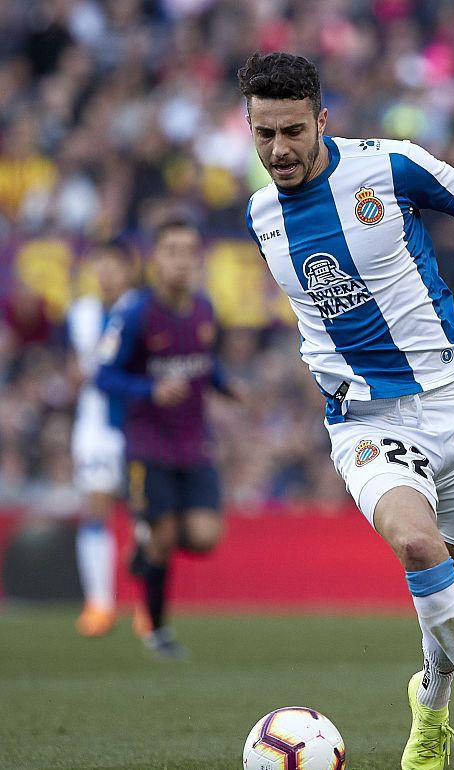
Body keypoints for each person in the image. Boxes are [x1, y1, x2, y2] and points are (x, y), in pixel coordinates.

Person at [239, 51, 454, 768]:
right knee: (419, 546)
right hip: (365, 420)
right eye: (264, 134)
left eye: (292, 131)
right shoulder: (261, 215)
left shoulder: (391, 166)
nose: (279, 149)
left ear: (322, 120)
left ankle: (431, 706)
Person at [96, 219, 239, 659]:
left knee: (204, 535)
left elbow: (205, 362)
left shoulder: (204, 309)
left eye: (189, 251)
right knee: (164, 534)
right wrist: (149, 390)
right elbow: (104, 375)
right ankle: (157, 631)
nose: (181, 260)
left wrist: (226, 386)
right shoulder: (134, 313)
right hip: (148, 443)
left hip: (193, 442)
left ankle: (145, 547)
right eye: (172, 250)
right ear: (155, 258)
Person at [69, 240, 136, 637]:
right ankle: (99, 603)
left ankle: (147, 606)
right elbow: (69, 366)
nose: (106, 273)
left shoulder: (141, 310)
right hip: (95, 424)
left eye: (113, 265)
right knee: (95, 507)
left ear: (129, 269)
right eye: (100, 265)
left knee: (148, 514)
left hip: (138, 422)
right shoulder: (80, 314)